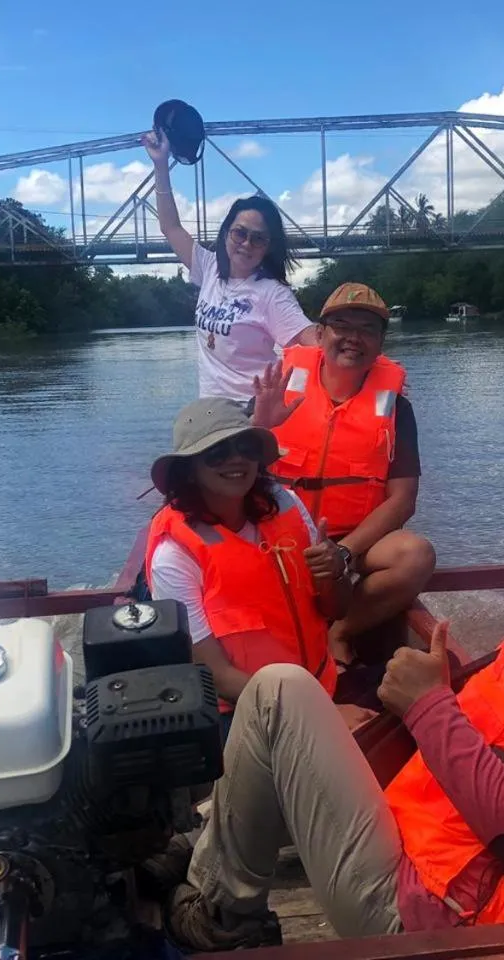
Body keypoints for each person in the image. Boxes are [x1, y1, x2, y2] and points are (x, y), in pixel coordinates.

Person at [148, 482, 504, 950]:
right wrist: (436, 703)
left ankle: (222, 915)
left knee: (278, 692)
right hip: (421, 868)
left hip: (427, 924)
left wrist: (427, 706)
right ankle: (201, 842)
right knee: (300, 708)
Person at [144, 398, 376, 739]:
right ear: (189, 469)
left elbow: (334, 609)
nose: (236, 459)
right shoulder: (174, 555)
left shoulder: (285, 505)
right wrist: (321, 717)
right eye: (217, 452)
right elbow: (217, 676)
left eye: (246, 446)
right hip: (244, 710)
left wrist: (335, 571)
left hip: (320, 684)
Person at [252, 282, 436, 673]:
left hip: (356, 545)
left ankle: (340, 633)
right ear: (320, 335)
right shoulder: (277, 390)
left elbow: (403, 499)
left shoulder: (396, 409)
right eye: (341, 326)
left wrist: (344, 552)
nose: (353, 338)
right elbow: (233, 475)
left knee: (416, 554)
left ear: (381, 342)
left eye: (367, 329)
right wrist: (258, 427)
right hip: (282, 538)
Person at [142, 127, 318, 403]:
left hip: (250, 412)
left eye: (258, 239)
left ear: (268, 247)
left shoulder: (272, 294)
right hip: (212, 408)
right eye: (240, 233)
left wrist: (370, 369)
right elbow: (170, 226)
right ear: (226, 233)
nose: (246, 244)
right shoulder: (208, 266)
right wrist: (161, 164)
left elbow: (313, 339)